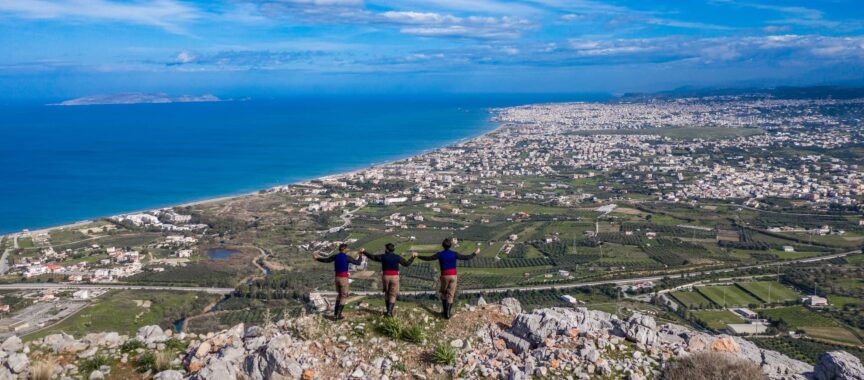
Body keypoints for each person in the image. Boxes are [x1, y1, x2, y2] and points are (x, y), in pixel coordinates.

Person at [416, 238, 480, 319]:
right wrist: (475, 253)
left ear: (443, 245)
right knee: (451, 295)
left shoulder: (440, 254)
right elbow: (466, 257)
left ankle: (444, 312)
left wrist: (418, 255)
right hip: (453, 276)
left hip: (444, 276)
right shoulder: (454, 254)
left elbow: (429, 258)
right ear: (450, 245)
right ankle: (448, 315)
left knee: (443, 293)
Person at [361, 243, 416, 317]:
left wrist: (364, 251)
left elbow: (373, 257)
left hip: (385, 276)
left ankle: (388, 311)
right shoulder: (397, 257)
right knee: (393, 295)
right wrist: (413, 257)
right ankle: (389, 312)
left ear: (387, 249)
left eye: (385, 248)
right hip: (395, 277)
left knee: (387, 293)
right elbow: (406, 264)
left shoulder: (383, 257)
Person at [313, 243, 363, 320]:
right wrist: (360, 255)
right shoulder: (347, 257)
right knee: (344, 296)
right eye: (347, 249)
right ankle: (338, 315)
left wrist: (317, 258)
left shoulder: (335, 256)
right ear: (345, 249)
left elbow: (326, 260)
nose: (348, 250)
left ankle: (335, 314)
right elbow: (358, 263)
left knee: (339, 296)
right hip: (343, 279)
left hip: (337, 278)